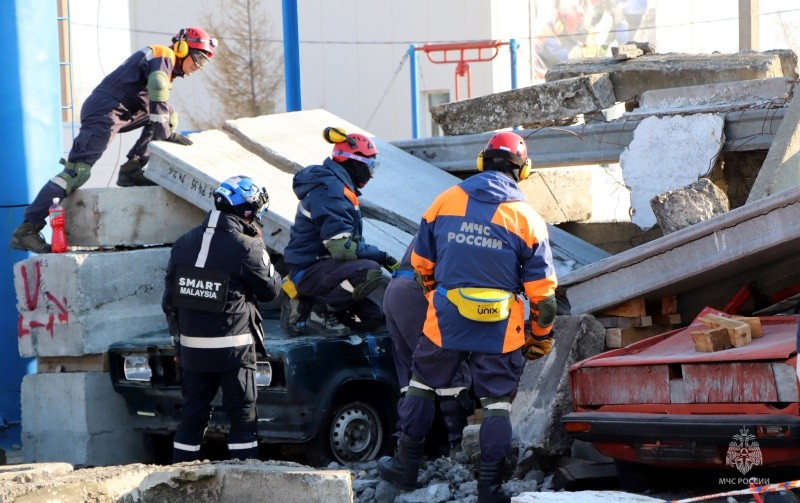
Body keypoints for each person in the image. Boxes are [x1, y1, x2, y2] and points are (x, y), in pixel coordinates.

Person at [377, 131, 559, 503]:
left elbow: (421, 266)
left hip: (446, 319)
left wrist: (437, 301)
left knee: (422, 386)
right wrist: (540, 336)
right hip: (501, 325)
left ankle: (406, 468)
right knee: (496, 404)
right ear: (522, 171)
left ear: (481, 161)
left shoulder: (444, 201)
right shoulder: (527, 218)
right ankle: (490, 488)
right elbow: (544, 297)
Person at [11, 27, 216, 254]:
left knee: (168, 116)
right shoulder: (163, 56)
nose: (198, 66)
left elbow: (159, 107)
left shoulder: (166, 66)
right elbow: (157, 87)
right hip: (106, 111)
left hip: (121, 110)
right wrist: (164, 132)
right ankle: (28, 228)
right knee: (76, 172)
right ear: (182, 47)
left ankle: (133, 168)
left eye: (204, 63)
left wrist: (164, 126)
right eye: (198, 57)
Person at [163, 175, 281, 462]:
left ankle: (180, 481)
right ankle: (245, 482)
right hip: (234, 352)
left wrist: (179, 346)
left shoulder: (183, 243)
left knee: (192, 418)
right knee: (242, 419)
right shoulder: (246, 246)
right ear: (248, 211)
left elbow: (170, 302)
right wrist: (261, 250)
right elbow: (271, 291)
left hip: (192, 353)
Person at [280, 127, 399, 336]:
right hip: (310, 268)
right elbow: (342, 249)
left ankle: (309, 300)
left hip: (323, 266)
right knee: (369, 271)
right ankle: (317, 308)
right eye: (370, 165)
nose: (371, 173)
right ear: (353, 161)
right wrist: (382, 256)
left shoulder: (337, 185)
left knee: (371, 319)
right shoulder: (332, 191)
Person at [383, 239, 474, 457]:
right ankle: (458, 446)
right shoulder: (470, 224)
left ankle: (406, 452)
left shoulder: (441, 217)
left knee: (411, 376)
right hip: (416, 293)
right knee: (448, 365)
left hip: (394, 290)